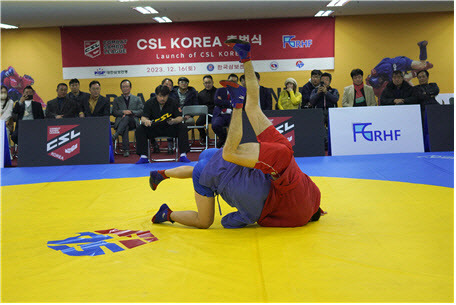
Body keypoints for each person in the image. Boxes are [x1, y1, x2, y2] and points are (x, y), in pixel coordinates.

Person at [149, 39, 325, 229]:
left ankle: (245, 56)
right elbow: (231, 156)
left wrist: (246, 62)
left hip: (252, 160)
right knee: (205, 217)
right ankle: (168, 213)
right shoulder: (292, 209)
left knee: (221, 146)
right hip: (241, 171)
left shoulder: (309, 187)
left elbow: (253, 108)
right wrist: (237, 107)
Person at [135, 85, 191, 164]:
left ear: (168, 95)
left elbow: (179, 117)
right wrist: (146, 121)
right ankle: (143, 156)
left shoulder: (173, 102)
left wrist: (174, 120)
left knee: (182, 127)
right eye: (160, 96)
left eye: (165, 96)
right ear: (156, 95)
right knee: (140, 129)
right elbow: (143, 117)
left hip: (169, 127)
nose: (162, 99)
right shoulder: (149, 102)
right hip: (154, 128)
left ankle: (183, 155)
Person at [366, 40, 433, 99]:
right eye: (380, 82)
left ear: (377, 77)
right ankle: (422, 47)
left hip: (398, 64)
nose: (381, 80)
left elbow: (388, 66)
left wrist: (391, 78)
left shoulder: (377, 70)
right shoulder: (378, 75)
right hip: (400, 60)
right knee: (422, 65)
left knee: (404, 79)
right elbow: (385, 59)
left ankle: (421, 69)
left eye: (379, 80)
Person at [112, 79, 144, 157]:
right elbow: (114, 112)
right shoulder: (116, 100)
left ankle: (116, 136)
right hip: (121, 122)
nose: (125, 88)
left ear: (130, 88)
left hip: (133, 122)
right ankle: (126, 149)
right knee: (125, 124)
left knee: (127, 118)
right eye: (123, 87)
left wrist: (131, 112)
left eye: (127, 87)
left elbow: (142, 111)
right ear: (121, 88)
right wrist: (123, 112)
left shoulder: (136, 99)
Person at [213, 73, 238, 147]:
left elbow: (236, 104)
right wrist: (229, 102)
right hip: (221, 114)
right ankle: (223, 138)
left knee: (235, 127)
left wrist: (222, 102)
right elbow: (216, 102)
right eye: (230, 81)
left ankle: (230, 144)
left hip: (232, 115)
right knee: (215, 125)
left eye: (234, 82)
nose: (232, 83)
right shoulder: (219, 90)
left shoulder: (239, 92)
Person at [197, 75, 217, 145]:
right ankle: (205, 137)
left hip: (216, 114)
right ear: (203, 84)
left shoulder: (218, 92)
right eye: (205, 83)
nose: (207, 85)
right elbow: (199, 106)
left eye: (209, 82)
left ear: (212, 82)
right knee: (198, 123)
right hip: (205, 114)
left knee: (220, 123)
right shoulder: (200, 94)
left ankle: (223, 138)